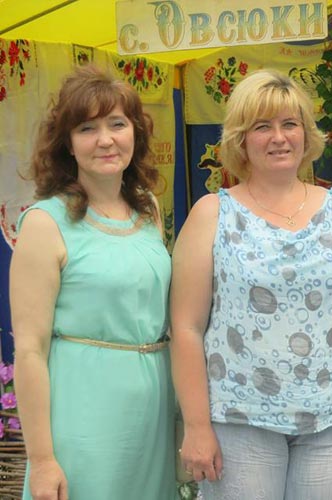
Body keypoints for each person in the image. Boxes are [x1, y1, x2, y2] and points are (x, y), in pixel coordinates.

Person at [170, 68, 332, 500]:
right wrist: (196, 426)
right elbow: (186, 327)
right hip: (240, 419)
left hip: (330, 421)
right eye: (262, 127)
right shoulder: (212, 214)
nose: (279, 137)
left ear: (306, 134)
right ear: (240, 139)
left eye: (290, 124)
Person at [9, 65, 175, 500]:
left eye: (117, 124)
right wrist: (42, 460)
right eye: (87, 128)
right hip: (82, 411)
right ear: (68, 143)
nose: (105, 140)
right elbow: (29, 351)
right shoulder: (45, 223)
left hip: (151, 412)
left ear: (135, 132)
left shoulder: (148, 210)